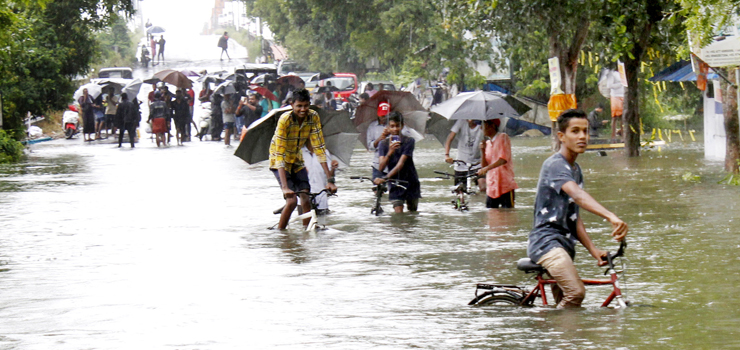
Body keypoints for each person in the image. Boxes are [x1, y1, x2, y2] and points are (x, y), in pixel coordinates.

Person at [528, 109, 628, 308]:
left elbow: (574, 217)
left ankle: (563, 337)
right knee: (576, 293)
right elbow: (578, 196)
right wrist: (611, 216)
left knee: (567, 304)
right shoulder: (555, 165)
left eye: (585, 131)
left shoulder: (575, 170)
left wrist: (593, 250)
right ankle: (550, 336)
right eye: (575, 131)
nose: (582, 136)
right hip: (546, 244)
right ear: (561, 136)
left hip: (564, 246)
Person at [269, 88, 337, 230]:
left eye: (306, 105)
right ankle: (281, 233)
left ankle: (308, 230)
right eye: (299, 106)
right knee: (292, 201)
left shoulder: (313, 117)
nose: (303, 109)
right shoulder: (285, 120)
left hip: (297, 160)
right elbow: (279, 154)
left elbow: (319, 147)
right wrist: (285, 187)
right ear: (292, 105)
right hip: (280, 161)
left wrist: (330, 180)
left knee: (306, 197)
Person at [374, 112, 421, 213]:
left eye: (397, 126)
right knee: (398, 213)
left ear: (402, 126)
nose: (395, 129)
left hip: (410, 181)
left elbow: (401, 164)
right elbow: (381, 166)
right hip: (394, 181)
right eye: (392, 126)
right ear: (387, 127)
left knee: (412, 213)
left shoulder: (409, 141)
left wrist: (385, 178)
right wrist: (390, 152)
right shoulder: (383, 143)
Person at [367, 101, 414, 180]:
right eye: (381, 116)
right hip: (378, 163)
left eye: (385, 116)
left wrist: (393, 133)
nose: (383, 118)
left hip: (396, 164)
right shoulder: (372, 126)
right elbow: (370, 147)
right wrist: (380, 139)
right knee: (377, 188)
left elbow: (406, 136)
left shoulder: (399, 127)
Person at [478, 119, 518, 208]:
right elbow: (484, 165)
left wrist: (486, 168)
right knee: (491, 213)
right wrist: (482, 150)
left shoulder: (503, 137)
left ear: (492, 126)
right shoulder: (487, 143)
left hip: (505, 184)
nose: (481, 128)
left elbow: (503, 159)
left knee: (508, 213)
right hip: (492, 185)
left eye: (484, 126)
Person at [444, 119, 485, 192]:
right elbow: (450, 138)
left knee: (483, 187)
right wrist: (447, 155)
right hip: (461, 164)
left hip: (477, 164)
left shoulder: (483, 125)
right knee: (459, 191)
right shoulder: (461, 121)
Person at [300, 146, 339, 216]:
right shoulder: (299, 152)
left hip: (321, 195)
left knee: (322, 223)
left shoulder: (324, 152)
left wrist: (333, 168)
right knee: (304, 222)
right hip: (303, 197)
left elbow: (329, 176)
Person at [608, 70, 624, 139]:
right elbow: (609, 85)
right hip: (615, 96)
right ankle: (613, 136)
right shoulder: (611, 73)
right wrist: (620, 84)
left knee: (623, 117)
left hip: (623, 96)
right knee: (615, 117)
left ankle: (623, 136)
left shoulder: (623, 72)